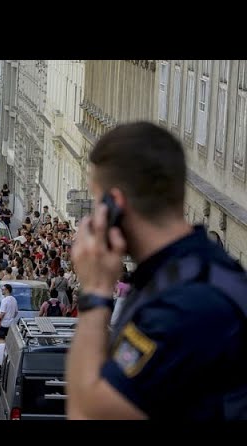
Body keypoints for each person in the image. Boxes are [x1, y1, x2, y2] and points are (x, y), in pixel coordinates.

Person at [66, 121, 247, 420]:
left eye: (98, 201)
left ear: (115, 204)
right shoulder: (196, 272)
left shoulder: (184, 304)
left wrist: (94, 293)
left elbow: (86, 412)